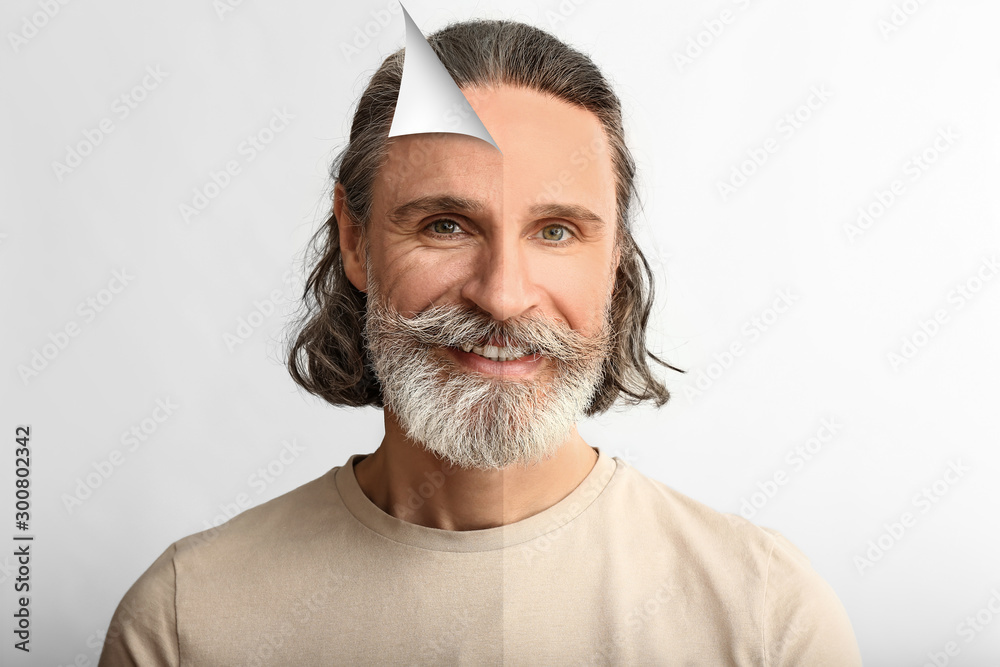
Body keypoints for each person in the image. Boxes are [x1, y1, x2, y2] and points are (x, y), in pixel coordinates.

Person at [99, 17, 862, 666]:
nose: (502, 294)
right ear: (356, 239)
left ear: (615, 265)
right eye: (445, 225)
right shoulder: (186, 621)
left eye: (556, 231)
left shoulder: (766, 617)